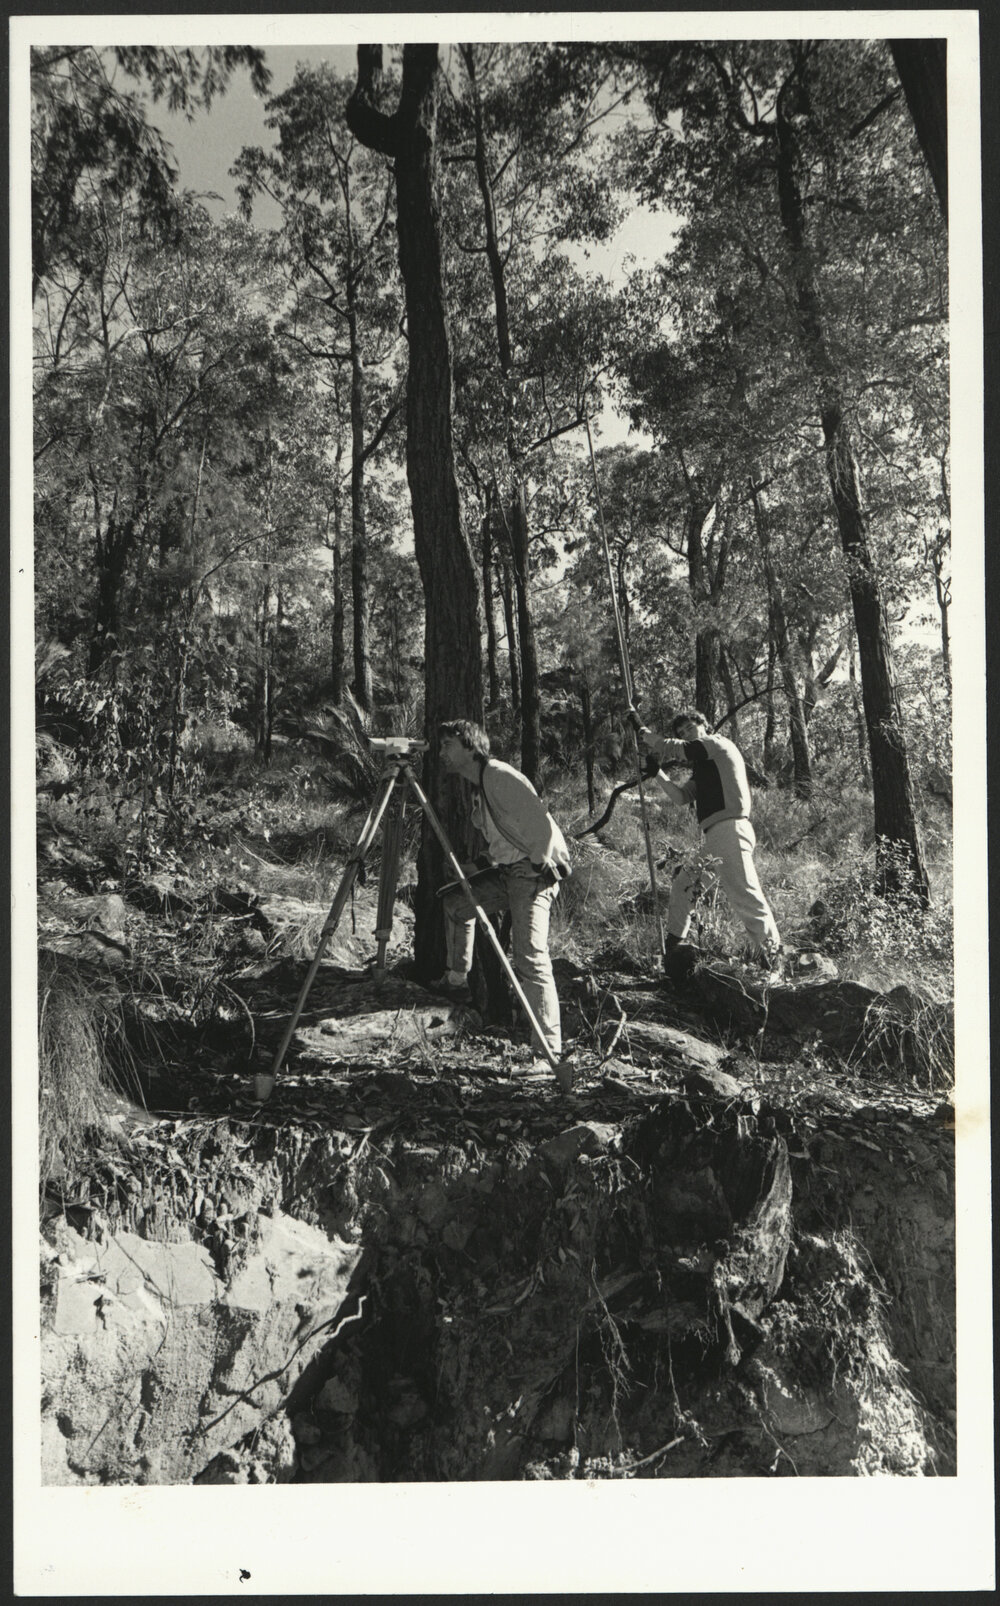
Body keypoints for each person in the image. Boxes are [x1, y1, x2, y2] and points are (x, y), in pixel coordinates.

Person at [431, 719, 572, 1072]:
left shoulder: (498, 775)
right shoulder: (478, 786)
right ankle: (458, 982)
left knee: (531, 958)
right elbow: (502, 841)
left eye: (448, 744)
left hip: (531, 873)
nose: (442, 753)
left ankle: (547, 1054)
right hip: (510, 872)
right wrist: (477, 865)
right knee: (456, 903)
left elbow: (539, 821)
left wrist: (538, 863)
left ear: (468, 746)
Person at [635, 709, 781, 974]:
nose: (685, 735)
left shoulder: (718, 744)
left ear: (705, 726)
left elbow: (688, 750)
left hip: (730, 830)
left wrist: (652, 739)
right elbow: (681, 797)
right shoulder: (705, 768)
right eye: (680, 733)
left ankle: (773, 963)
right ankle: (674, 954)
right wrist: (657, 773)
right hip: (716, 836)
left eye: (690, 728)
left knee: (745, 896)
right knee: (684, 884)